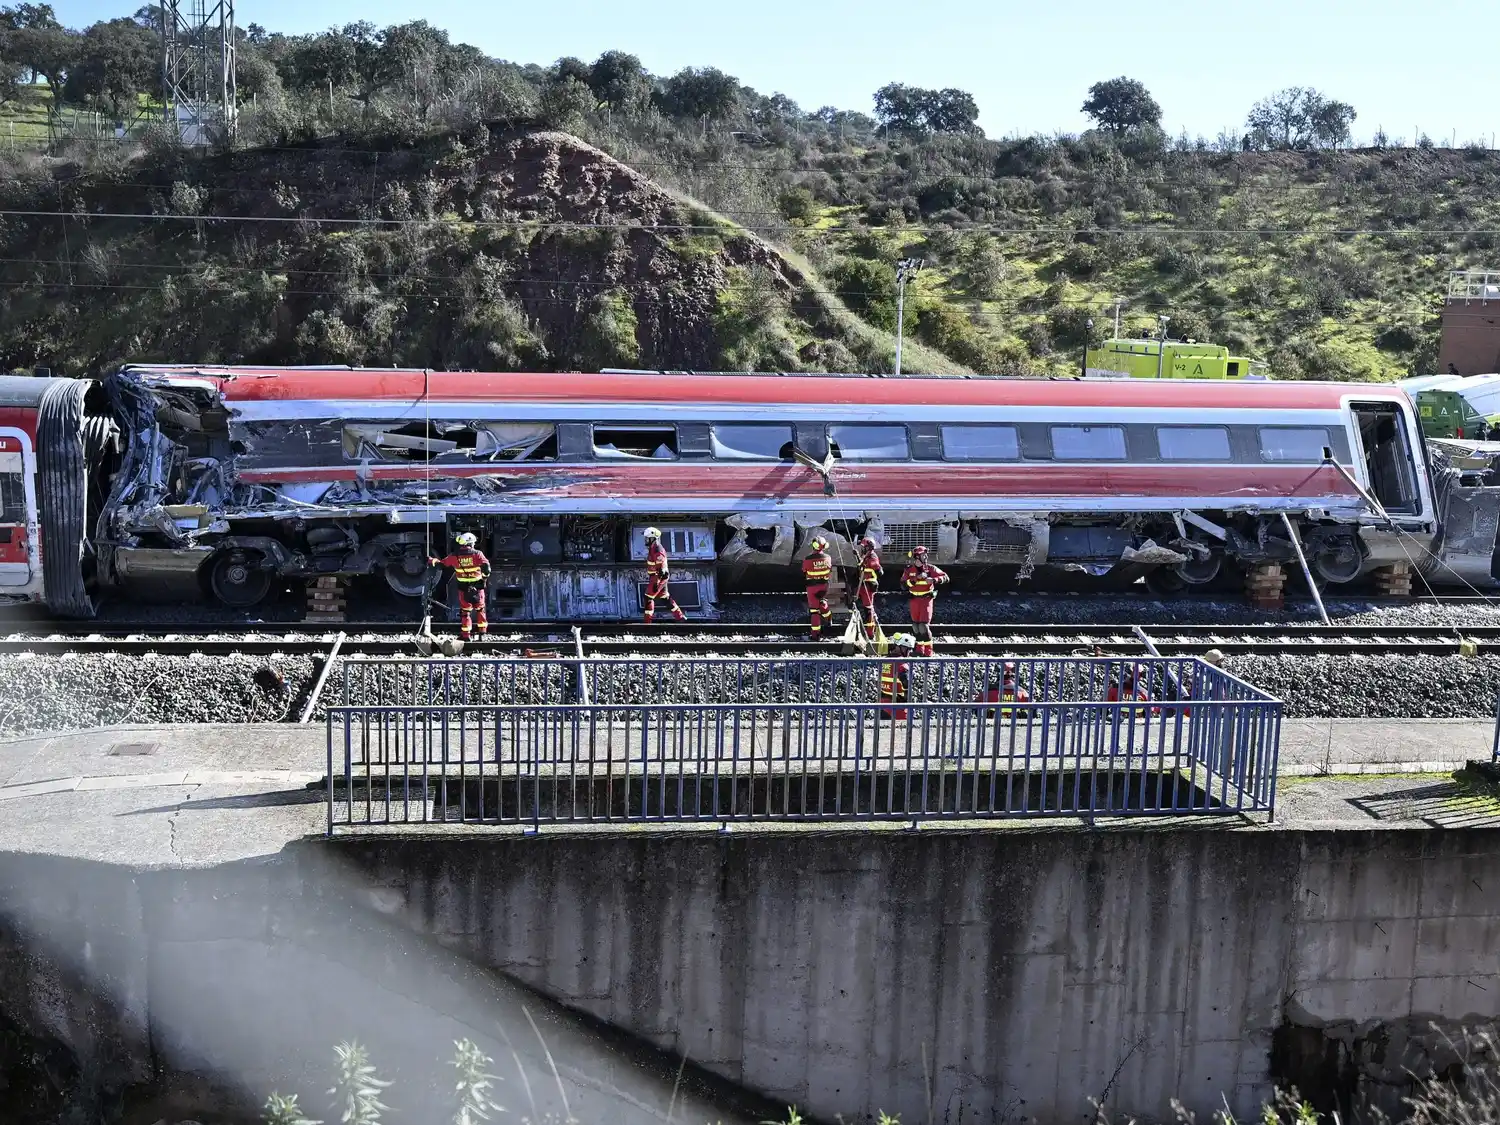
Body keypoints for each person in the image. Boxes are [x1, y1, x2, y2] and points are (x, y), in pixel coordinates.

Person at [428, 531, 491, 641]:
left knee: (465, 612)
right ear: (470, 543)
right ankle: (482, 634)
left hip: (463, 589)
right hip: (478, 588)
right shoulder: (478, 554)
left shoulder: (454, 556)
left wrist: (431, 560)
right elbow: (487, 569)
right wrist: (484, 578)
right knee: (481, 610)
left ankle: (466, 636)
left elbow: (441, 564)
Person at [901, 545, 949, 657]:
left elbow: (945, 577)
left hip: (926, 600)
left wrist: (934, 580)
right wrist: (916, 579)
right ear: (917, 557)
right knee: (916, 626)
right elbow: (903, 585)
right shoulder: (909, 570)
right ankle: (919, 650)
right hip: (914, 600)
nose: (926, 557)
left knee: (923, 626)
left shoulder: (931, 568)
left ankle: (928, 651)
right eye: (923, 555)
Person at [642, 527, 686, 623]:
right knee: (665, 598)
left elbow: (661, 568)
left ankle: (647, 623)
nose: (645, 540)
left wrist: (656, 582)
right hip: (658, 577)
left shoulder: (657, 549)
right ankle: (680, 617)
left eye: (647, 538)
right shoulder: (653, 547)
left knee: (648, 598)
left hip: (658, 577)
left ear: (652, 538)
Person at [801, 535, 834, 640]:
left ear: (814, 545)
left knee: (814, 611)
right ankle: (828, 618)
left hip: (812, 587)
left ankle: (815, 635)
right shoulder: (828, 558)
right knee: (822, 602)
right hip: (824, 586)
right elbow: (829, 569)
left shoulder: (808, 559)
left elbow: (804, 570)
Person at [879, 633, 915, 719]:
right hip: (898, 709)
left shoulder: (884, 662)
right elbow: (907, 685)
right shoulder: (902, 665)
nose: (909, 652)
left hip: (883, 706)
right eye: (909, 649)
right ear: (901, 647)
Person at [855, 536, 883, 640]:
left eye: (863, 546)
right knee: (865, 607)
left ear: (868, 547)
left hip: (869, 585)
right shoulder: (866, 556)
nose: (862, 548)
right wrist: (857, 556)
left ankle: (870, 633)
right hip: (863, 584)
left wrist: (867, 564)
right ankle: (867, 630)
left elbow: (875, 568)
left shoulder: (872, 557)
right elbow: (862, 565)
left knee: (868, 609)